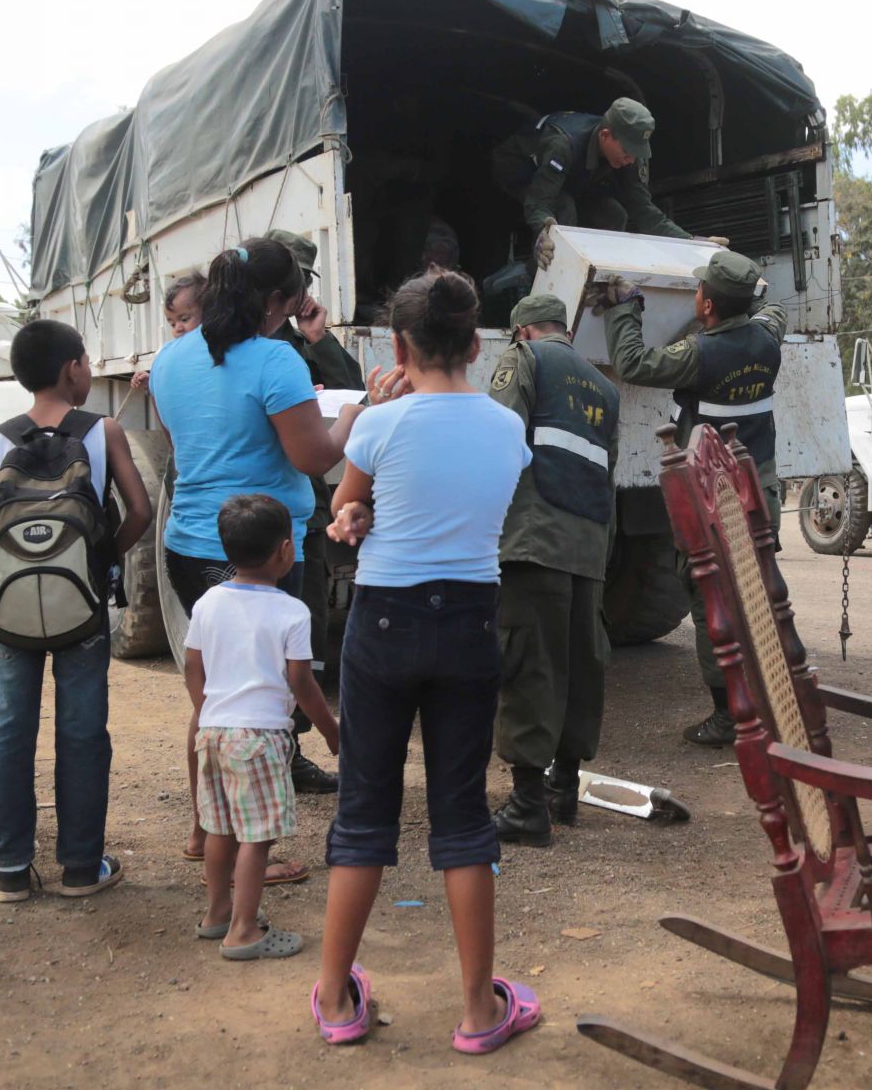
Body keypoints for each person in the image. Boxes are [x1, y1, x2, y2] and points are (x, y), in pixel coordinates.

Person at [310, 269, 539, 1052]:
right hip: (471, 619)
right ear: (479, 343)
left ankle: (337, 997)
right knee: (462, 814)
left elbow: (350, 505)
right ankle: (479, 1010)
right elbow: (455, 504)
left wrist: (354, 515)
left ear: (400, 348)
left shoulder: (380, 424)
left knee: (365, 812)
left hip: (383, 621)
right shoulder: (507, 427)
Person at [148, 237, 360, 885]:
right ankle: (241, 852)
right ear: (277, 301)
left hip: (188, 543)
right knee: (257, 704)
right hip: (261, 549)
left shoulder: (171, 358)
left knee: (213, 698)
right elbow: (315, 458)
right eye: (294, 296)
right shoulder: (275, 361)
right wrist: (350, 416)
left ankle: (201, 829)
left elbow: (194, 437)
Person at [0, 320, 154, 904]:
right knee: (83, 730)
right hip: (81, 609)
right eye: (85, 361)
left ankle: (9, 869)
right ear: (71, 370)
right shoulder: (102, 430)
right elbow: (140, 510)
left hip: (12, 612)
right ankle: (82, 866)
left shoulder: (0, 438)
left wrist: (1, 564)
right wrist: (98, 558)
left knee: (10, 729)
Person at [600, 249, 787, 747]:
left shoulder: (700, 354)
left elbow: (633, 361)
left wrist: (626, 307)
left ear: (706, 306)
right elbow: (775, 310)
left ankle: (729, 715)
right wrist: (755, 292)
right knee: (760, 594)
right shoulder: (769, 341)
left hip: (714, 495)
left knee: (714, 604)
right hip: (760, 487)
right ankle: (775, 701)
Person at [486, 294, 619, 847]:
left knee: (529, 662)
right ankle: (563, 791)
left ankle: (525, 807)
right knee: (578, 664)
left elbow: (497, 438)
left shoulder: (525, 360)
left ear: (522, 331)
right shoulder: (604, 386)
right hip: (587, 546)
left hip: (533, 539)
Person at [185, 494, 339, 960]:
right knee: (256, 838)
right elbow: (301, 681)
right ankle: (244, 931)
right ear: (286, 551)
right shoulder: (291, 611)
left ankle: (216, 915)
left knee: (219, 829)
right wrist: (331, 731)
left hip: (212, 733)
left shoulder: (209, 601)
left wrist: (207, 708)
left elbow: (194, 665)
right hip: (261, 738)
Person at [267, 228, 364, 776]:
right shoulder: (254, 347)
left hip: (301, 501)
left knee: (304, 624)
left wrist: (318, 337)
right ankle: (274, 749)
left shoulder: (299, 342)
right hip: (265, 504)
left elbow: (351, 386)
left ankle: (293, 746)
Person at [489, 99, 690, 264]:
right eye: (627, 151)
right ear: (605, 135)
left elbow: (645, 211)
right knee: (564, 208)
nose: (631, 160)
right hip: (521, 172)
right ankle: (547, 283)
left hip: (571, 181)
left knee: (613, 213)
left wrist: (691, 243)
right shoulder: (563, 145)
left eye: (637, 153)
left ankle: (599, 276)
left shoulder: (631, 157)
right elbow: (539, 203)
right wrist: (544, 230)